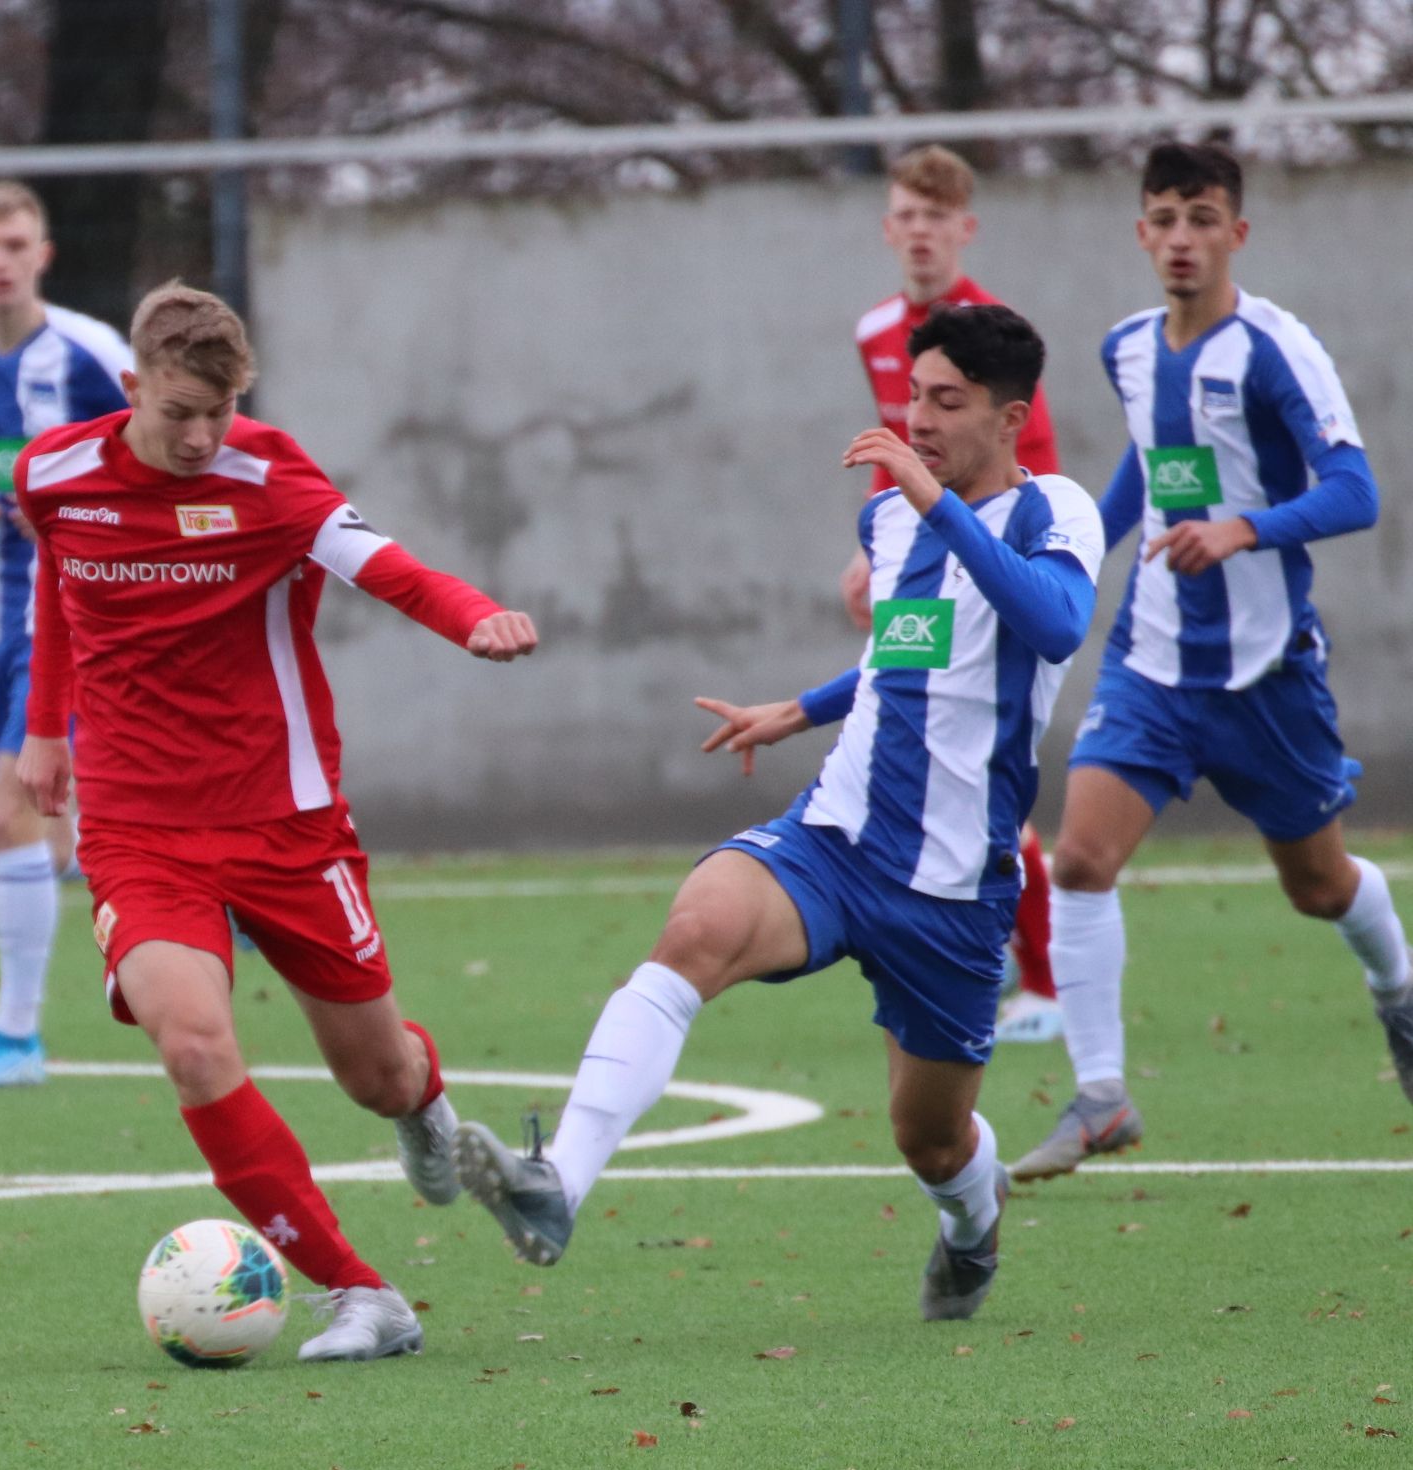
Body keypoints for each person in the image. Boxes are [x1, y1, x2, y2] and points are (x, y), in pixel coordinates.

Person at [455, 306, 1101, 1323]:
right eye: (912, 396)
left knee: (930, 1139)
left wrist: (937, 502)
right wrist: (801, 708)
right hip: (837, 836)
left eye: (948, 401)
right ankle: (558, 1183)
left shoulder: (1053, 509)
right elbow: (909, 657)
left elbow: (1056, 623)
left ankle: (973, 1224)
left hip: (955, 887)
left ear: (1010, 415)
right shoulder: (887, 518)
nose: (918, 419)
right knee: (695, 929)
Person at [14, 283, 539, 1362]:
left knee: (376, 1074)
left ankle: (424, 1106)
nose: (202, 435)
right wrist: (46, 727)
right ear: (131, 392)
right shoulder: (55, 474)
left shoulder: (270, 477)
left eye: (219, 410)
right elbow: (59, 584)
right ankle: (361, 1292)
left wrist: (473, 616)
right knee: (196, 1044)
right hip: (138, 828)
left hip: (284, 819)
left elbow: (386, 568)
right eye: (178, 413)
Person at [1011, 142, 1403, 1179]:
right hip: (1152, 658)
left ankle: (1399, 993)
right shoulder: (1129, 348)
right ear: (1141, 232)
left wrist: (1245, 529)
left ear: (1237, 230)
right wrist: (1075, 554)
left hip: (1266, 671)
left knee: (1319, 887)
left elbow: (1356, 491)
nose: (1182, 239)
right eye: (1164, 219)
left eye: (1202, 218)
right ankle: (1101, 1096)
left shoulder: (1276, 349)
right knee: (1083, 860)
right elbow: (1152, 461)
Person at [0, 180, 133, 1091]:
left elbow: (151, 462)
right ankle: (202, 883)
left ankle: (16, 1038)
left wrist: (82, 516)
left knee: (10, 813)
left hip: (79, 613)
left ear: (42, 256)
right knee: (47, 830)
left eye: (15, 245)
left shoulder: (91, 353)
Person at [846, 145, 1066, 1046]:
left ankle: (1046, 985)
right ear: (889, 226)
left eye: (938, 218)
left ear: (963, 230)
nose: (921, 233)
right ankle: (981, 951)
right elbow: (902, 455)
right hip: (925, 554)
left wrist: (1005, 550)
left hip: (993, 556)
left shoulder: (992, 337)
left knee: (981, 772)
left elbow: (1034, 459)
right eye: (907, 215)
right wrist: (875, 546)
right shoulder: (875, 333)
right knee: (912, 746)